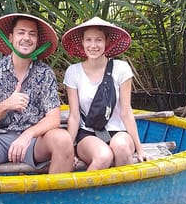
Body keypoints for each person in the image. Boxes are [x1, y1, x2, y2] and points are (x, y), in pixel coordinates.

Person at [0, 13, 74, 176]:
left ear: (37, 40)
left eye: (32, 34)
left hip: (34, 141)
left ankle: (54, 201)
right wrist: (6, 105)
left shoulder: (45, 73)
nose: (26, 38)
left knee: (63, 140)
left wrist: (28, 134)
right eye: (21, 32)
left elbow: (53, 118)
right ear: (10, 37)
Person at [62, 17, 146, 170]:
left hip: (118, 131)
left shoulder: (121, 68)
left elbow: (126, 112)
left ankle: (121, 191)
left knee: (121, 147)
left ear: (107, 42)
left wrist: (140, 149)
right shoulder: (73, 72)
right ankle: (86, 193)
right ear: (82, 42)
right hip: (87, 133)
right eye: (88, 40)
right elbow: (74, 116)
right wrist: (69, 150)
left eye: (98, 40)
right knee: (103, 156)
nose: (93, 45)